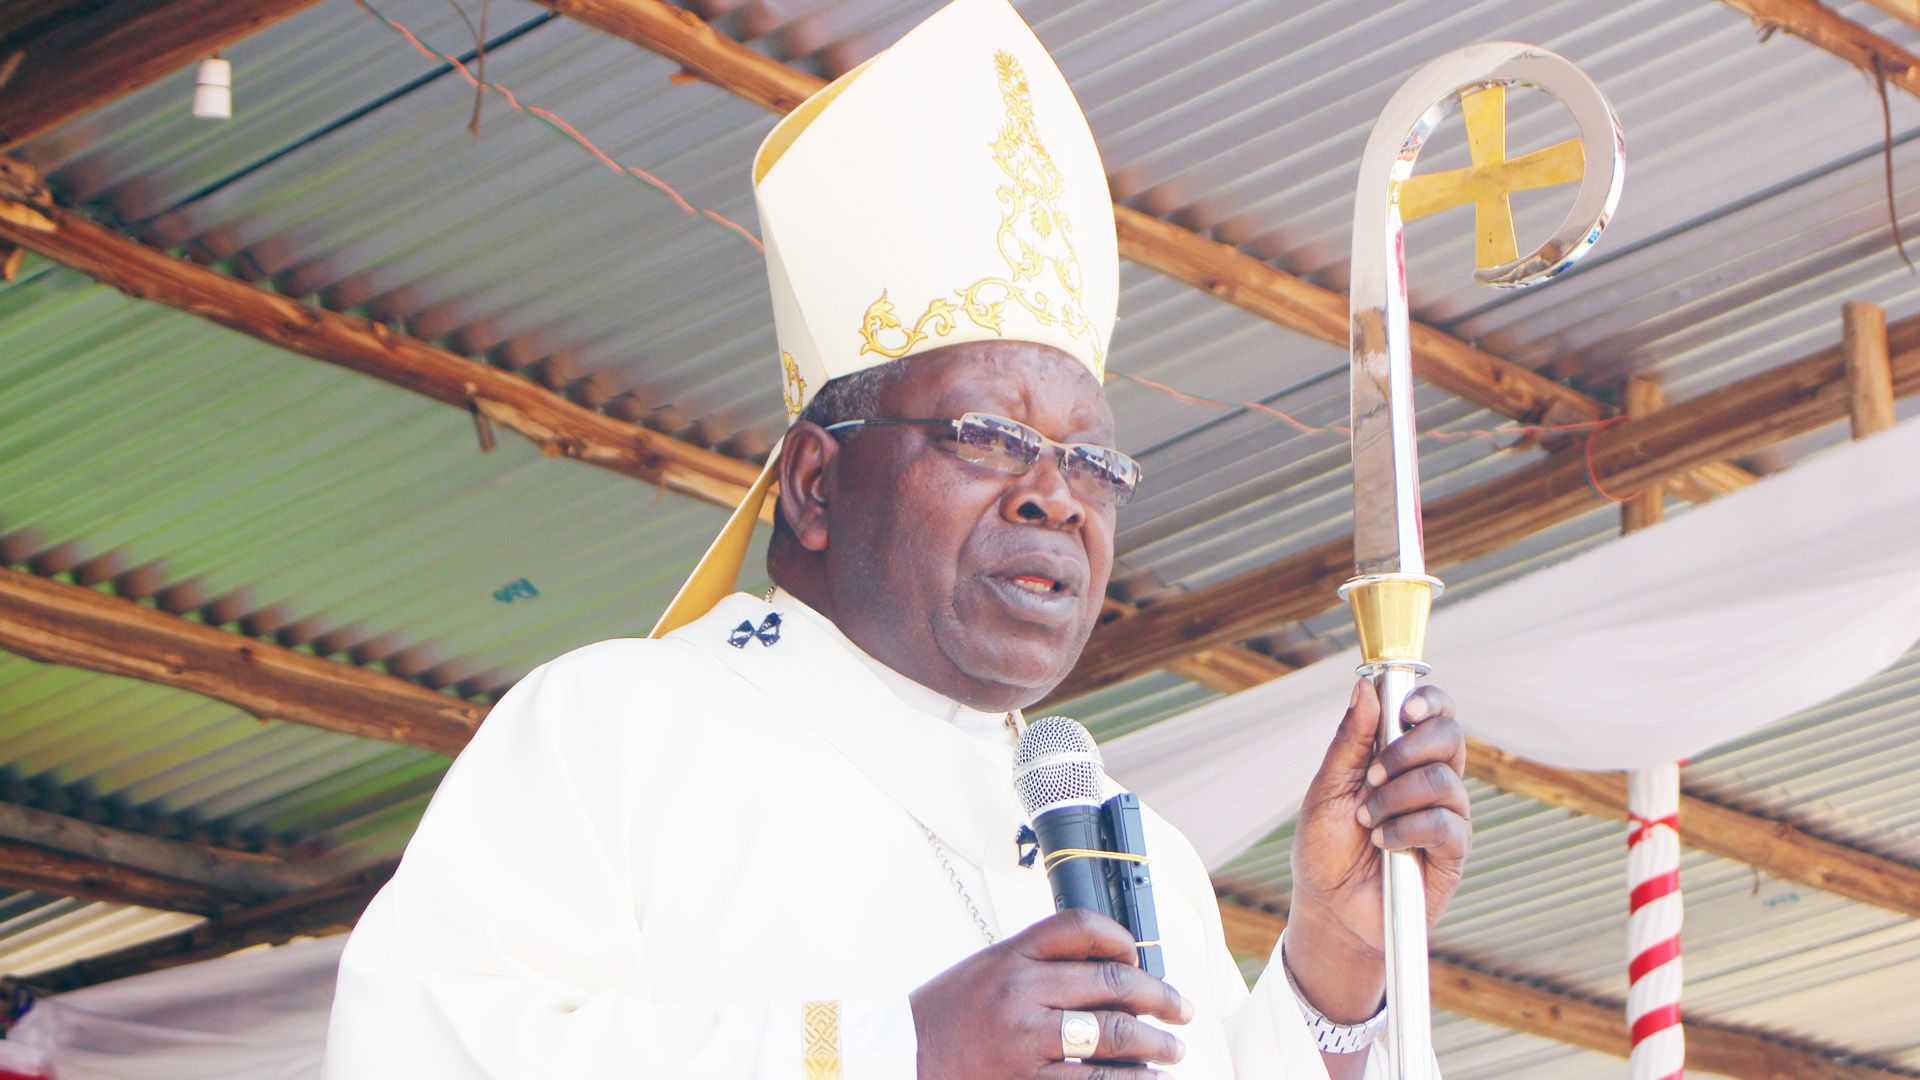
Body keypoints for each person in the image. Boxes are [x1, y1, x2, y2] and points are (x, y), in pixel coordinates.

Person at [322, 1, 1471, 1077]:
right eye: (988, 436)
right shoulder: (615, 730)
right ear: (816, 484)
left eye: (1092, 461)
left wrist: (1340, 958)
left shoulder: (1135, 861)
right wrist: (896, 1049)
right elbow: (419, 1048)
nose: (1056, 499)